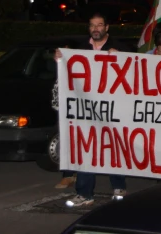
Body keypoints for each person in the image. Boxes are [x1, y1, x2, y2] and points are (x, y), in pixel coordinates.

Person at [54, 12, 130, 208]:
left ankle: (119, 186)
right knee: (86, 147)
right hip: (86, 109)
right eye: (92, 25)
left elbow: (134, 72)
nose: (96, 28)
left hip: (112, 108)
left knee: (113, 145)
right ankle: (84, 193)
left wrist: (122, 58)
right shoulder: (80, 49)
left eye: (100, 25)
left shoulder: (120, 47)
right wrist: (60, 60)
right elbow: (68, 73)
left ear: (107, 28)